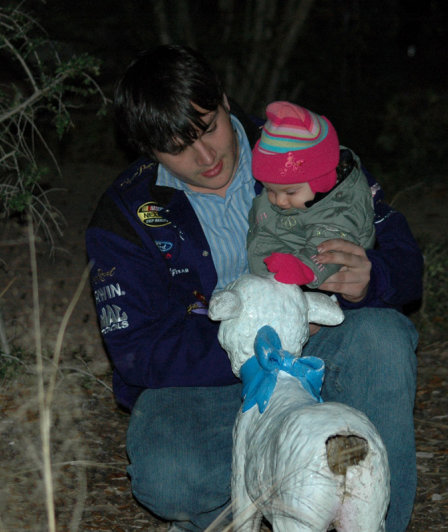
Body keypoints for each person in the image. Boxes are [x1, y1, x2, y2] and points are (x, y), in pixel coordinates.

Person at [86, 44, 423, 532]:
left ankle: (370, 517)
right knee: (168, 478)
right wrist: (258, 341)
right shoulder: (125, 214)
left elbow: (406, 259)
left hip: (320, 350)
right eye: (178, 148)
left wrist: (373, 276)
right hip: (211, 383)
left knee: (383, 338)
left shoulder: (297, 147)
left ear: (225, 100)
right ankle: (276, 492)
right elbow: (139, 351)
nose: (205, 157)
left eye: (208, 128)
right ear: (148, 148)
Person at [247, 100, 376, 288]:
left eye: (290, 192)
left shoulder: (341, 207)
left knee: (329, 245)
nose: (280, 200)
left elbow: (329, 249)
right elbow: (265, 234)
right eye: (270, 190)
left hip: (325, 283)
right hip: (281, 282)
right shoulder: (290, 199)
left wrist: (303, 269)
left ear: (321, 181)